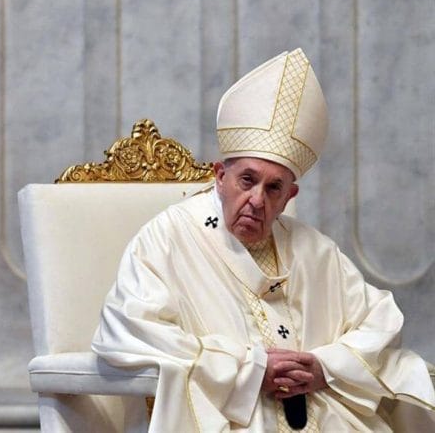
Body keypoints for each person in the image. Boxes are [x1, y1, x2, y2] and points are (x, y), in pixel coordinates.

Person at [92, 48, 435, 432]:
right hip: (232, 419)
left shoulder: (314, 250)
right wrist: (249, 370)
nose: (257, 200)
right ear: (220, 176)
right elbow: (128, 327)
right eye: (247, 180)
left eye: (273, 188)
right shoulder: (168, 237)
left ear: (290, 196)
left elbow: (380, 321)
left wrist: (325, 367)